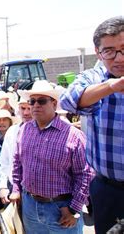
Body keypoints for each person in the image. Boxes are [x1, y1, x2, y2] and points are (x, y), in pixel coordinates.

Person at [60, 16, 124, 233]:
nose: (119, 58)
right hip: (110, 190)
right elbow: (69, 100)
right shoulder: (96, 77)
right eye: (109, 51)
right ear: (98, 53)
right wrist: (112, 86)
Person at [10, 80, 93, 233]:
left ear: (54, 104)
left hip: (62, 207)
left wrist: (74, 209)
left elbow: (85, 175)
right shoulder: (25, 130)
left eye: (41, 101)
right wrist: (16, 188)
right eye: (32, 101)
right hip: (30, 205)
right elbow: (17, 162)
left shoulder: (73, 135)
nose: (35, 105)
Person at [0, 96, 32, 205]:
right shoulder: (12, 131)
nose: (26, 112)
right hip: (13, 187)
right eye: (23, 108)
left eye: (29, 108)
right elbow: (5, 161)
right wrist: (3, 186)